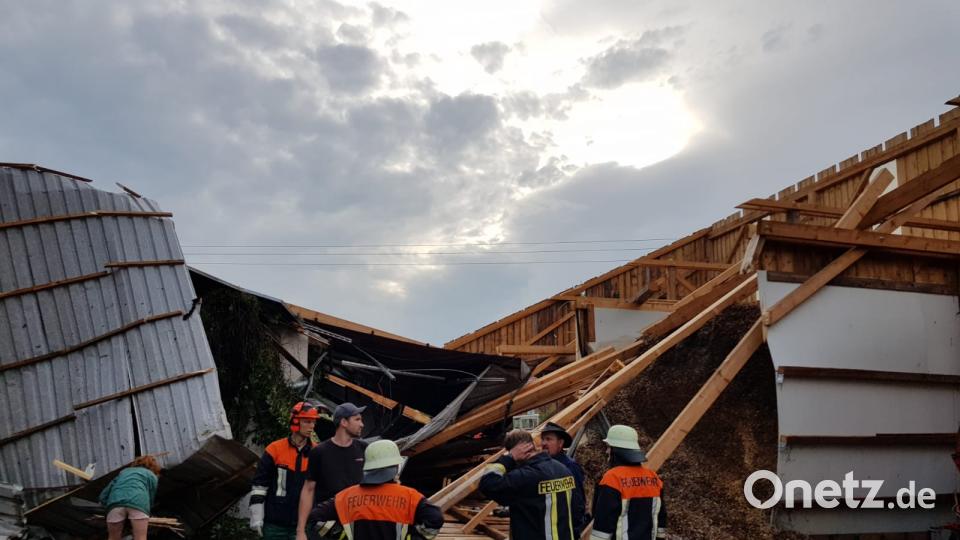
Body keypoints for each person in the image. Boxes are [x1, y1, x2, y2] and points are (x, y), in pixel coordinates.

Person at [306, 439, 443, 540]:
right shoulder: (410, 497)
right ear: (395, 467)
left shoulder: (346, 496)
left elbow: (314, 518)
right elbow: (435, 519)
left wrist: (341, 535)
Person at [479, 429, 576, 540]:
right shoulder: (564, 470)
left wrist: (508, 458)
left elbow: (487, 484)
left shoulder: (524, 476)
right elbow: (576, 509)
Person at [249, 401, 322, 539]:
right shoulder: (274, 450)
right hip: (274, 525)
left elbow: (322, 488)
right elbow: (259, 485)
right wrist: (257, 516)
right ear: (295, 422)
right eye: (307, 421)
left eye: (313, 422)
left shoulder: (317, 452)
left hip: (304, 526)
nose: (312, 426)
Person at [297, 402, 368, 540]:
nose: (362, 424)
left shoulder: (364, 448)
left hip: (356, 525)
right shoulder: (319, 452)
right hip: (326, 528)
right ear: (343, 422)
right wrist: (301, 531)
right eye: (357, 419)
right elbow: (308, 489)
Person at [590, 425, 667, 540]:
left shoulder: (612, 479)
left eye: (608, 447)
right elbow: (661, 518)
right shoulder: (654, 478)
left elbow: (603, 523)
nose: (607, 451)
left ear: (616, 451)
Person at [540, 422, 588, 537]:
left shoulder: (570, 467)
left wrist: (575, 531)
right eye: (543, 439)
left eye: (548, 439)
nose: (543, 443)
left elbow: (577, 502)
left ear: (560, 443)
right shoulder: (541, 466)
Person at [99, 455, 161, 540]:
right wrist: (147, 511)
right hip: (139, 504)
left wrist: (107, 506)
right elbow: (150, 496)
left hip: (115, 503)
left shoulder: (124, 472)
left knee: (113, 538)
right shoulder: (152, 476)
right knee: (141, 537)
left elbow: (103, 495)